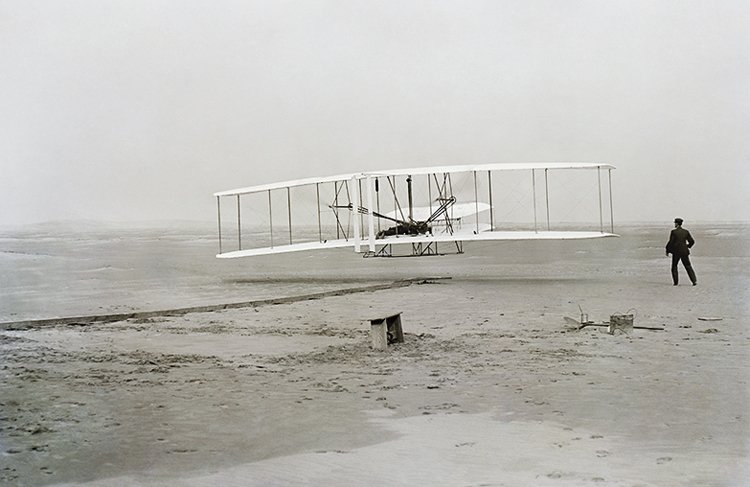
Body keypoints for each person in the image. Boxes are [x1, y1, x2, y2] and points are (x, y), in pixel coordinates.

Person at [665, 218, 697, 286]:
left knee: (674, 266)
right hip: (684, 251)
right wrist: (687, 246)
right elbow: (692, 241)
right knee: (688, 266)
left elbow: (671, 242)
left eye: (675, 223)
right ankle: (694, 281)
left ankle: (676, 282)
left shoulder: (674, 232)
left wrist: (667, 250)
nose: (674, 224)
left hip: (676, 251)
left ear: (677, 223)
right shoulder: (686, 231)